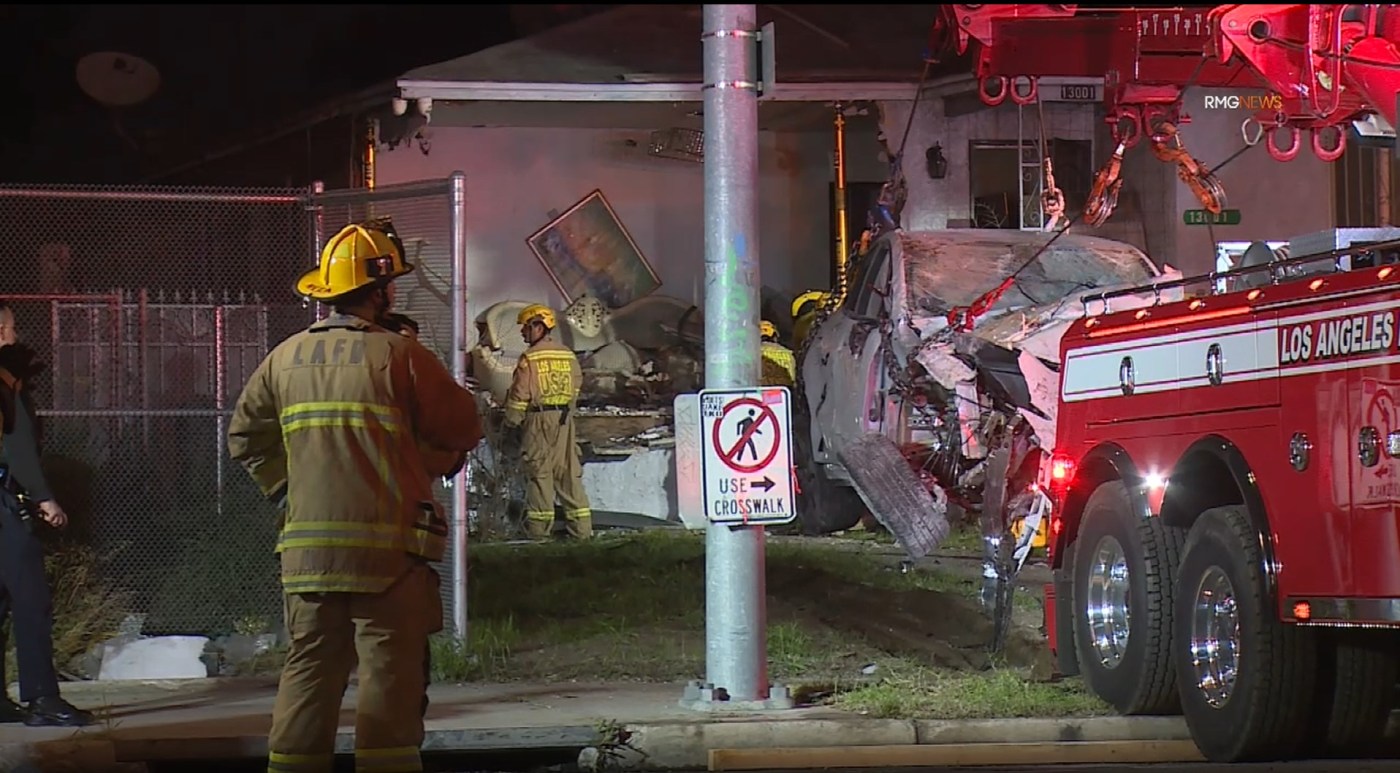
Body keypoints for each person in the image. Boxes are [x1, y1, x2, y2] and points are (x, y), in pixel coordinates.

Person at [227, 218, 483, 773]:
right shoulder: (400, 355)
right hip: (388, 556)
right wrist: (427, 462)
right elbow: (463, 428)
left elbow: (244, 438)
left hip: (307, 556)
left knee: (308, 674)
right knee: (389, 678)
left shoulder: (284, 357)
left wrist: (288, 491)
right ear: (381, 291)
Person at [0, 302, 94, 727]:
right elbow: (18, 445)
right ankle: (42, 699)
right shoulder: (4, 382)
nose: (14, 336)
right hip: (4, 504)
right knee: (30, 598)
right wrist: (43, 497)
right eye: (9, 328)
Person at [503, 304, 592, 541]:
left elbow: (520, 395)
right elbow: (576, 386)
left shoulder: (530, 358)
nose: (522, 332)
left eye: (526, 327)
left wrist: (511, 422)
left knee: (539, 473)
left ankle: (538, 535)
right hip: (564, 420)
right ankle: (582, 533)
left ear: (539, 327)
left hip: (538, 420)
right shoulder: (567, 355)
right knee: (568, 473)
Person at [759, 320, 797, 388]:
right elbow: (793, 381)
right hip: (784, 392)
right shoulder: (789, 354)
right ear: (775, 337)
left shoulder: (753, 354)